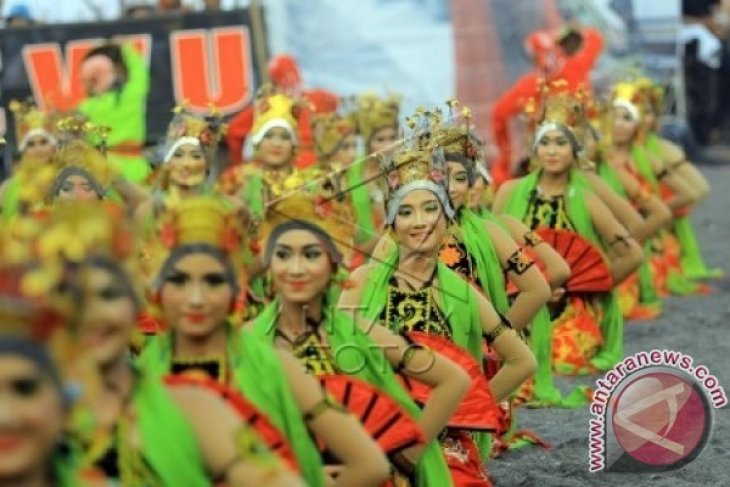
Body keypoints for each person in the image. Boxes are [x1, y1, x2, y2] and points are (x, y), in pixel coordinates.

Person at [33, 201, 306, 486]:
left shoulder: (193, 407)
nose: (91, 315)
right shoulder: (20, 414)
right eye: (69, 295)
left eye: (109, 295)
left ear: (137, 303)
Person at [137, 195, 391, 486]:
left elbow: (370, 465)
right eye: (179, 281)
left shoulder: (274, 366)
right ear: (158, 289)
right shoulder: (136, 379)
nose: (196, 299)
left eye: (213, 281)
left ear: (235, 287)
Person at [339, 137, 537, 485]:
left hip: (441, 439)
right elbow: (337, 356)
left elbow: (522, 361)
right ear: (390, 223)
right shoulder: (361, 281)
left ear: (446, 220)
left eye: (431, 209)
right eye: (405, 211)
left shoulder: (464, 294)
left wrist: (467, 408)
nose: (420, 222)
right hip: (374, 430)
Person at [249, 177, 468, 484]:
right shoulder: (244, 341)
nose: (296, 269)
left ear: (333, 263)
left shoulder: (362, 334)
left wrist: (409, 455)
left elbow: (454, 380)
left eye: (311, 255)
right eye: (283, 255)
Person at [494, 92, 644, 374]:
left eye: (561, 143)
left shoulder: (586, 197)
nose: (551, 151)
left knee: (563, 360)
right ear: (535, 149)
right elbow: (491, 249)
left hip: (571, 304)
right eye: (545, 142)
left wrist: (591, 287)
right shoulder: (509, 192)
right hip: (519, 300)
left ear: (575, 149)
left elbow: (633, 254)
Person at [491, 23, 604, 185]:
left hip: (581, 157)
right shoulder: (575, 66)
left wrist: (505, 157)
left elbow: (498, 115)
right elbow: (595, 37)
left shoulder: (531, 84)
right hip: (552, 162)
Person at [226, 54, 339, 168]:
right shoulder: (319, 97)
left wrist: (239, 163)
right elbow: (338, 105)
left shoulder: (267, 105)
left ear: (273, 80)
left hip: (283, 169)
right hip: (314, 166)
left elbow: (234, 131)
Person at [77, 42, 151, 184]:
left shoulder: (84, 108)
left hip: (102, 171)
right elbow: (140, 73)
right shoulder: (131, 97)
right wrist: (125, 48)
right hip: (135, 168)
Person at [1, 100, 58, 220]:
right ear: (23, 150)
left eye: (43, 142)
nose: (38, 149)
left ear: (53, 146)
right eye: (31, 144)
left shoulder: (65, 180)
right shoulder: (10, 187)